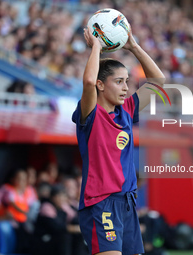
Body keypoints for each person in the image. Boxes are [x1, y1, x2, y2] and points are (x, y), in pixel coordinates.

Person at [72, 26, 164, 255]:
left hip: (127, 203)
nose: (126, 88)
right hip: (100, 202)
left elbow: (158, 82)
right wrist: (96, 47)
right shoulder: (90, 114)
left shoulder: (127, 111)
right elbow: (88, 82)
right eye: (119, 82)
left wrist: (133, 46)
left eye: (127, 82)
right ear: (101, 85)